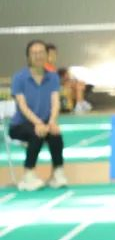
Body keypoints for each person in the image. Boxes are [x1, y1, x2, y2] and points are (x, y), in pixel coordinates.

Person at [9, 40, 67, 191]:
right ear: (28, 57)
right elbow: (22, 106)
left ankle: (57, 173)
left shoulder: (53, 77)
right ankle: (28, 175)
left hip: (45, 122)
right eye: (34, 53)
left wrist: (52, 121)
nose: (38, 56)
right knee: (37, 133)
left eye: (41, 52)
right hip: (20, 125)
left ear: (47, 55)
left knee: (55, 133)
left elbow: (55, 102)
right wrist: (38, 123)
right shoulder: (19, 78)